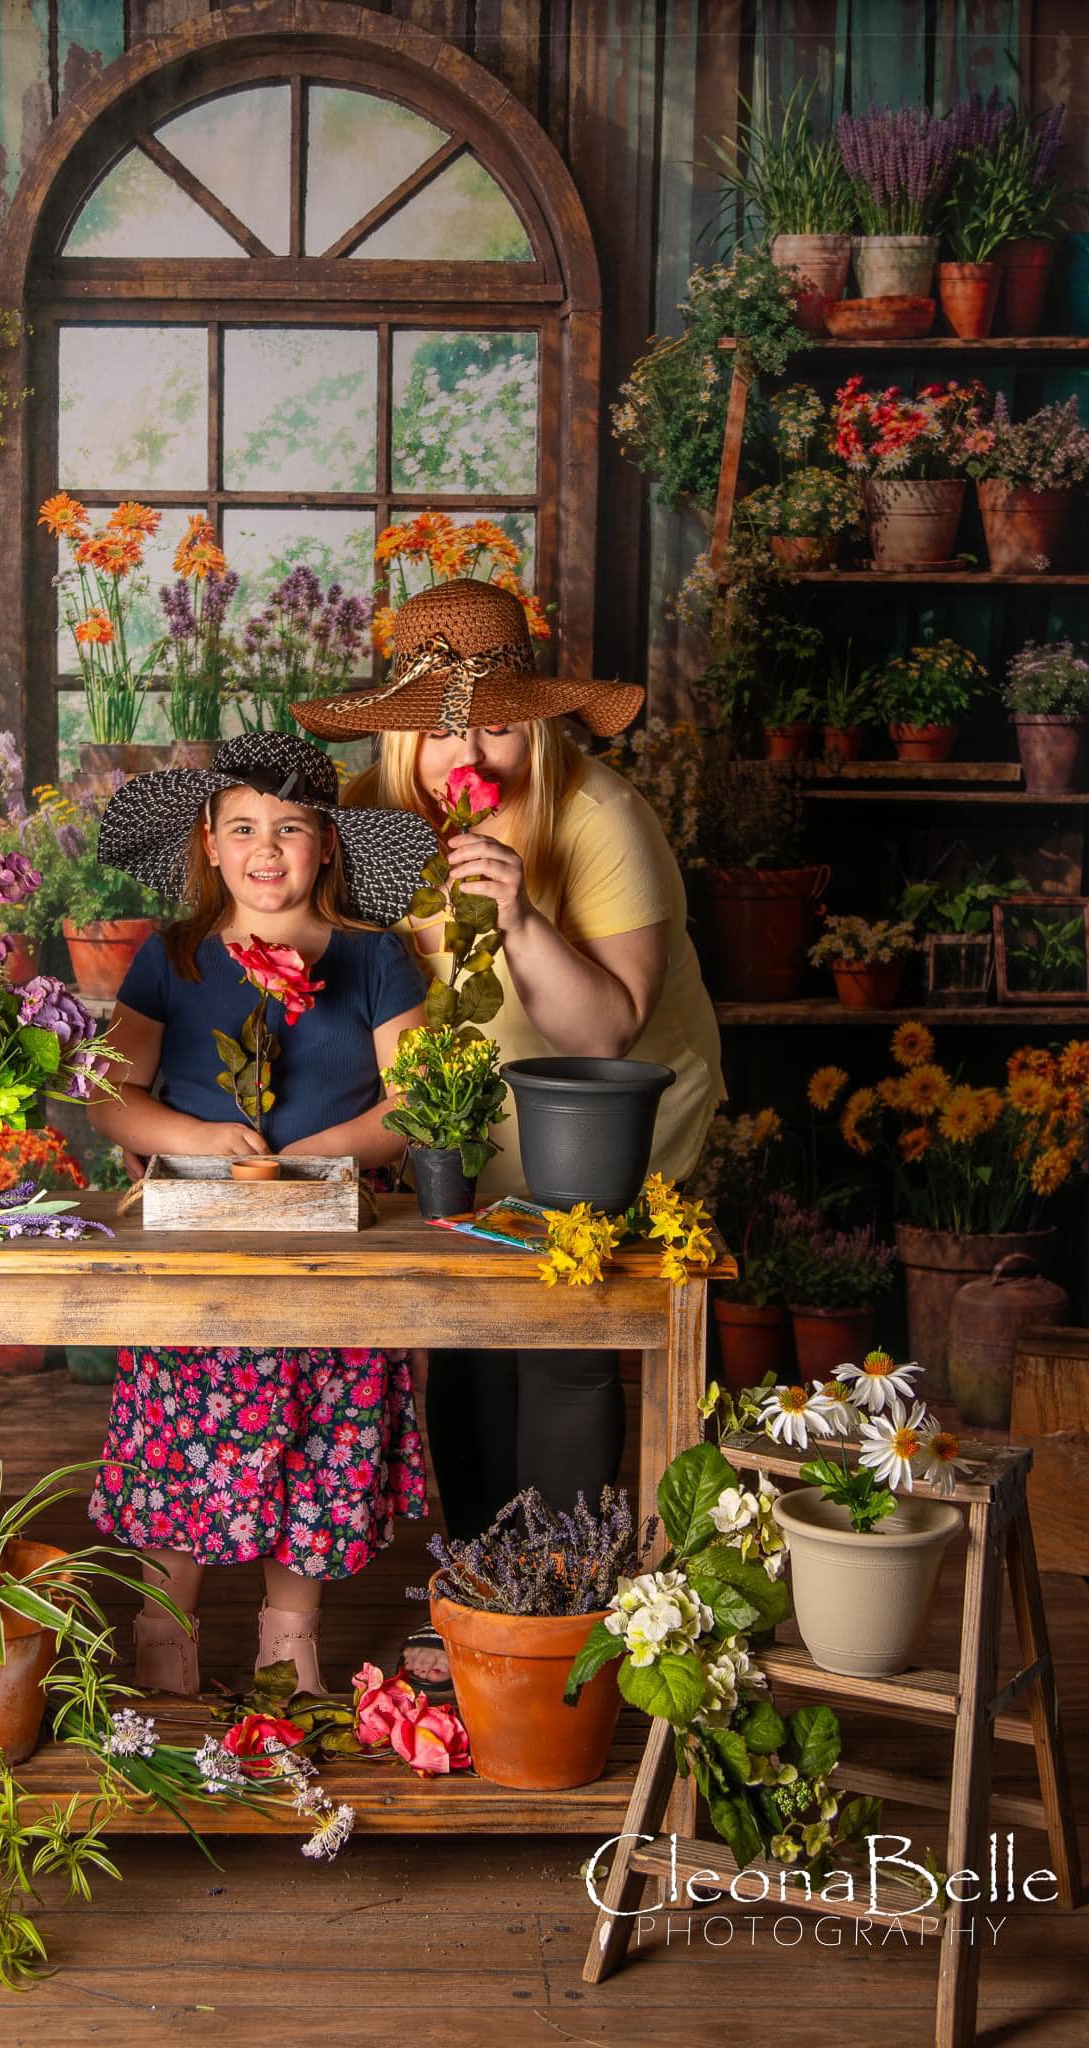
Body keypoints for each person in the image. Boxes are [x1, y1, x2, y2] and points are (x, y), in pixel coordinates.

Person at [295, 578, 724, 1542]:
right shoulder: (367, 819)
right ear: (403, 737)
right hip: (463, 1111)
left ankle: (553, 1597)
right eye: (442, 732)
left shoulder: (597, 816)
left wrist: (519, 913)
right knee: (468, 1340)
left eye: (495, 728)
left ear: (535, 728)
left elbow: (603, 1031)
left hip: (601, 1113)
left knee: (562, 1344)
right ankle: (480, 1590)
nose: (468, 754)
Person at [84, 732, 437, 1696]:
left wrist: (316, 1152)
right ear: (208, 843)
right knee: (177, 1432)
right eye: (242, 828)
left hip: (330, 1235)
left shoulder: (375, 959)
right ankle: (165, 1641)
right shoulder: (175, 956)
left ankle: (291, 1645)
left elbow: (414, 1101)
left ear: (327, 844)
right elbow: (112, 1096)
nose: (265, 850)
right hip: (199, 1240)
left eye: (288, 828)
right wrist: (204, 1139)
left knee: (321, 1435)